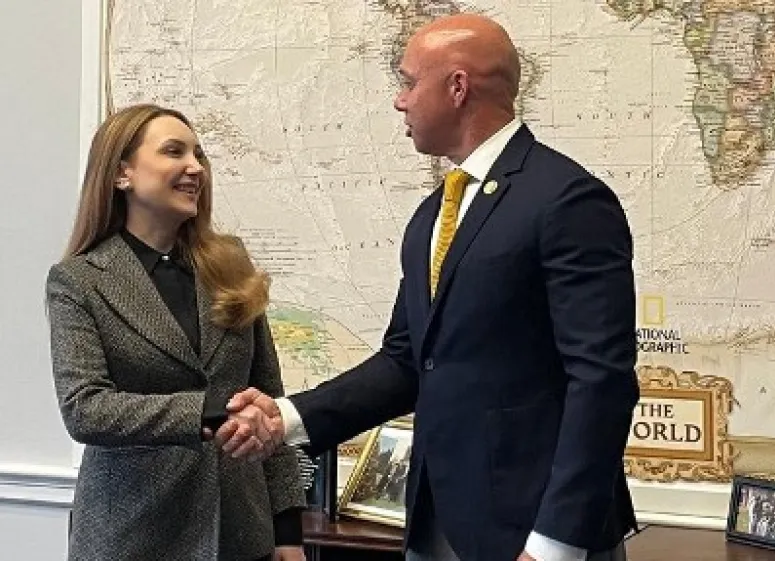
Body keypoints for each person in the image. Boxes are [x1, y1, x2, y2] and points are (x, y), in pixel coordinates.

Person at [224, 13, 639, 561]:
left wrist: (555, 544)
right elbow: (407, 360)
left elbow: (600, 379)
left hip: (534, 533)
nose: (400, 101)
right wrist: (287, 417)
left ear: (457, 87)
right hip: (436, 525)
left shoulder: (567, 201)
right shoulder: (432, 216)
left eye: (408, 82)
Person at [45, 103, 306, 561]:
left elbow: (267, 394)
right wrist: (203, 412)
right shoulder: (79, 281)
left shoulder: (231, 265)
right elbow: (84, 408)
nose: (195, 167)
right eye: (174, 151)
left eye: (198, 154)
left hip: (240, 535)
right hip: (131, 538)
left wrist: (288, 529)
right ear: (122, 174)